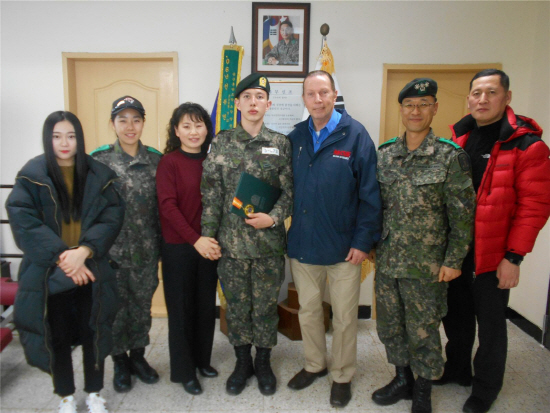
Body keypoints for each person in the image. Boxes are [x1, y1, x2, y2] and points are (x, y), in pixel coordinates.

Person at [434, 69, 550, 413]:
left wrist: (514, 258)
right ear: (469, 98)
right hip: (458, 252)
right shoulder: (461, 139)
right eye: (476, 93)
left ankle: (485, 388)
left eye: (491, 92)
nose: (482, 99)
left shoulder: (528, 145)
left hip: (494, 254)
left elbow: (535, 207)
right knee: (456, 317)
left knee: (491, 326)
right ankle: (457, 370)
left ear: (507, 97)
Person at [6, 111, 124, 413]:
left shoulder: (97, 173)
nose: (64, 142)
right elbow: (24, 222)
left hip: (91, 265)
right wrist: (64, 256)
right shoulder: (32, 175)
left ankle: (95, 392)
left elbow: (111, 217)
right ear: (48, 138)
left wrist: (83, 251)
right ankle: (65, 396)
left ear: (79, 138)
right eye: (57, 136)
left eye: (71, 136)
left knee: (93, 333)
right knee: (56, 336)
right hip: (50, 270)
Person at [372, 78, 476, 413]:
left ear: (434, 108)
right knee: (391, 325)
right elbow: (375, 205)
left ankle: (423, 389)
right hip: (388, 260)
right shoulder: (385, 155)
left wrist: (454, 260)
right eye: (409, 105)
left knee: (424, 329)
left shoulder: (449, 156)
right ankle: (402, 378)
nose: (415, 111)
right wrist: (372, 243)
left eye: (423, 104)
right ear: (401, 110)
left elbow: (462, 215)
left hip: (428, 265)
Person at [286, 70, 381, 408]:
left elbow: (370, 195)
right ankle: (315, 364)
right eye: (311, 94)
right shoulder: (295, 136)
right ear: (304, 98)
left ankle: (341, 374)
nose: (317, 99)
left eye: (323, 92)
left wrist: (362, 241)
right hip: (303, 245)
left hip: (345, 249)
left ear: (334, 93)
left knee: (343, 317)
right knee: (309, 311)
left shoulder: (355, 135)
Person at [201, 73, 293, 396]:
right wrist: (208, 237)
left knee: (267, 306)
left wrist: (274, 218)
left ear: (268, 104)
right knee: (238, 307)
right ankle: (242, 362)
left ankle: (264, 362)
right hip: (231, 246)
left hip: (268, 244)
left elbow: (289, 193)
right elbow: (211, 194)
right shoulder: (221, 143)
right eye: (247, 97)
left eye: (259, 97)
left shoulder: (281, 144)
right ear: (237, 103)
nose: (253, 103)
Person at [90, 96, 162, 393]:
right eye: (123, 120)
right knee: (116, 310)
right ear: (113, 124)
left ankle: (138, 358)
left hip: (147, 251)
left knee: (142, 308)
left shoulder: (157, 160)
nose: (130, 126)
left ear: (143, 122)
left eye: (136, 119)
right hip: (112, 253)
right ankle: (119, 362)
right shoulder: (98, 161)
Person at [156, 103, 221, 396]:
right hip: (180, 248)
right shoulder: (168, 162)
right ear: (176, 131)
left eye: (198, 125)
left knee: (205, 308)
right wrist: (195, 240)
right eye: (186, 126)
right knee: (181, 310)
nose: (193, 132)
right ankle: (184, 371)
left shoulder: (213, 160)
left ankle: (202, 361)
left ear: (207, 129)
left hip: (208, 247)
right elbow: (168, 207)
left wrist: (208, 241)